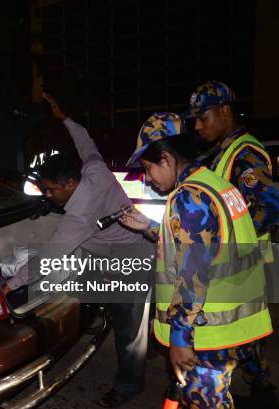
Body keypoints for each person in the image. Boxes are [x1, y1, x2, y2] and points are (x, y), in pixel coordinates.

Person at [3, 93, 153, 407]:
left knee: (129, 331)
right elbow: (87, 144)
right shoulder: (94, 170)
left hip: (131, 259)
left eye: (50, 189)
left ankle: (128, 385)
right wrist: (65, 119)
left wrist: (12, 283)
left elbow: (48, 256)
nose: (47, 194)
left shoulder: (81, 214)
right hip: (111, 250)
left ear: (70, 184)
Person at [120, 112, 273, 408]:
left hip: (205, 332)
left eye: (148, 168)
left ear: (166, 158)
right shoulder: (215, 184)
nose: (147, 178)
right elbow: (204, 244)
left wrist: (179, 339)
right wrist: (149, 227)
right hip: (232, 321)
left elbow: (193, 274)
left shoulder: (188, 197)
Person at [185, 80, 278, 406]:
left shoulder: (245, 153)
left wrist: (219, 240)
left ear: (224, 111)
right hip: (239, 266)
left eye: (202, 117)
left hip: (243, 264)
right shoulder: (222, 151)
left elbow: (270, 208)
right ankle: (263, 392)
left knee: (228, 341)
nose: (197, 125)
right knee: (245, 338)